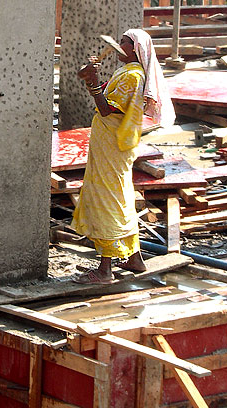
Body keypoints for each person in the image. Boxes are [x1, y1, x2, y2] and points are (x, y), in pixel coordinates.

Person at [71, 29, 175, 283]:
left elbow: (106, 109)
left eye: (125, 43)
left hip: (114, 143)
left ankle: (105, 268)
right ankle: (134, 258)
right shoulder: (124, 72)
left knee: (108, 197)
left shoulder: (132, 77)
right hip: (111, 142)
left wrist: (93, 80)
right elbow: (103, 97)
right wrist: (89, 79)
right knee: (121, 195)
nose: (119, 46)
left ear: (135, 49)